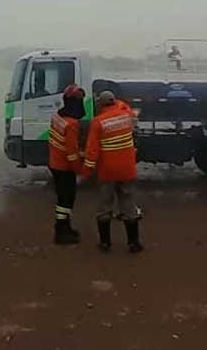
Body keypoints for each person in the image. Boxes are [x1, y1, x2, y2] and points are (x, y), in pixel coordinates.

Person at [81, 90, 143, 253]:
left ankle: (105, 243)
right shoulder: (126, 115)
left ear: (100, 104)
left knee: (105, 206)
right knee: (129, 204)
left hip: (107, 171)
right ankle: (134, 243)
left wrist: (86, 170)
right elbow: (126, 107)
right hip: (127, 169)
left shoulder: (98, 122)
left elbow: (92, 150)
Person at [48, 84, 86, 245]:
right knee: (66, 199)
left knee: (63, 197)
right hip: (65, 167)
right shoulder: (71, 124)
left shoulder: (57, 116)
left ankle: (65, 228)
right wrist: (80, 170)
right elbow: (71, 153)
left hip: (54, 163)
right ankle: (61, 232)